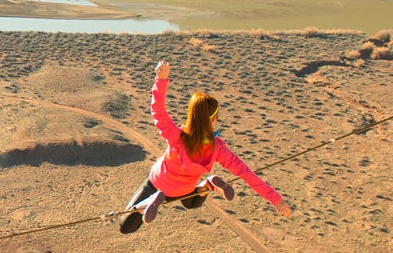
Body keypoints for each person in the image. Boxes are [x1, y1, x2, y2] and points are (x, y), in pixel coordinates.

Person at [121, 60, 290, 233]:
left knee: (125, 226)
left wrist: (161, 80)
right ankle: (206, 186)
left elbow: (158, 111)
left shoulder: (176, 137)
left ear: (190, 116)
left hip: (158, 184)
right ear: (214, 119)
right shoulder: (217, 148)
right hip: (186, 190)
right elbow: (246, 174)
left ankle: (146, 203)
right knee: (192, 203)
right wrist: (276, 200)